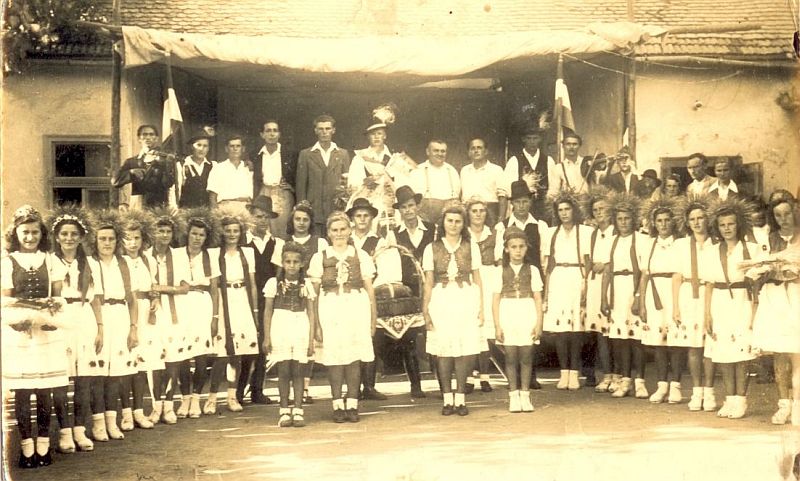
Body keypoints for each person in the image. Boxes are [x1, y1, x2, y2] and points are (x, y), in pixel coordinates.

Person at [2, 205, 69, 468]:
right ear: (15, 234)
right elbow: (5, 299)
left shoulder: (51, 261)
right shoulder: (7, 262)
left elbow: (59, 297)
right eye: (25, 233)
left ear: (42, 234)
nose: (30, 237)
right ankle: (26, 449)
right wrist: (16, 321)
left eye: (34, 232)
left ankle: (43, 446)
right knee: (23, 391)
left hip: (45, 332)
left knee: (44, 391)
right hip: (20, 333)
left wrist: (52, 318)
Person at [308, 211, 378, 423]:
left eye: (343, 229)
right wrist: (316, 324)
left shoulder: (361, 255)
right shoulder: (319, 257)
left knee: (354, 358)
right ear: (329, 233)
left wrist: (373, 319)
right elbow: (314, 295)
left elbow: (370, 290)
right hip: (330, 309)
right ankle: (338, 404)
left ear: (350, 230)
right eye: (334, 230)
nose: (339, 233)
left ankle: (353, 404)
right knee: (335, 358)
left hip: (356, 308)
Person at [47, 205, 104, 452]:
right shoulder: (50, 261)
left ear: (81, 237)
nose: (69, 238)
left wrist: (100, 328)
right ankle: (65, 433)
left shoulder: (90, 263)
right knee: (61, 379)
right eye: (64, 234)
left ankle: (80, 430)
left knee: (84, 379)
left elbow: (96, 299)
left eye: (74, 234)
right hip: (60, 318)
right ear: (57, 237)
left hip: (84, 318)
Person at [423, 204, 484, 416]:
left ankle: (461, 398)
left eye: (458, 221)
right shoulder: (431, 248)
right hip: (441, 300)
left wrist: (481, 308)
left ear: (463, 224)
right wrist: (426, 310)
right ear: (443, 222)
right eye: (450, 220)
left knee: (463, 350)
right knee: (444, 350)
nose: (454, 225)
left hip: (465, 298)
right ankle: (447, 399)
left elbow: (478, 279)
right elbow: (428, 282)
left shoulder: (471, 246)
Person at [703, 199, 760, 419]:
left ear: (739, 225)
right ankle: (730, 398)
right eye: (722, 225)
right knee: (724, 352)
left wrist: (754, 311)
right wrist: (707, 314)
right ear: (717, 227)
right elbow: (709, 285)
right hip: (719, 303)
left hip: (742, 301)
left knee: (741, 353)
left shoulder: (751, 249)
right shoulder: (711, 251)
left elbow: (756, 285)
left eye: (731, 224)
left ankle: (741, 399)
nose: (727, 228)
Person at [751, 193, 800, 424]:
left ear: (795, 213)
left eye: (787, 213)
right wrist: (765, 270)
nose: (783, 219)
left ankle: (798, 403)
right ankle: (784, 404)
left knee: (798, 353)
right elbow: (757, 270)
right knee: (780, 353)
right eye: (778, 215)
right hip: (776, 298)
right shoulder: (769, 240)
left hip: (797, 297)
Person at [92, 210, 139, 440]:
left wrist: (133, 328)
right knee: (98, 373)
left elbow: (132, 299)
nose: (107, 243)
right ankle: (98, 424)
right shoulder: (90, 263)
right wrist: (99, 327)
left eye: (111, 238)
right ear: (95, 241)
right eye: (102, 238)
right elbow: (93, 297)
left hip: (120, 316)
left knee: (116, 374)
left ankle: (112, 422)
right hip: (99, 316)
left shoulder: (125, 263)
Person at [494, 180, 544, 389]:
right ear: (512, 203)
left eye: (525, 201)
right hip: (510, 285)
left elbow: (543, 256)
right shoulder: (501, 226)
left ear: (530, 202)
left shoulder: (539, 225)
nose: (522, 206)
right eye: (518, 202)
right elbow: (499, 257)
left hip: (531, 280)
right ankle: (513, 382)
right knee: (511, 344)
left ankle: (530, 377)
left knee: (529, 336)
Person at [542, 191, 592, 391]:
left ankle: (575, 372)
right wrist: (546, 293)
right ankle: (564, 373)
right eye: (560, 210)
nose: (564, 213)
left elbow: (588, 262)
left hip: (577, 276)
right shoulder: (551, 233)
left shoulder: (585, 232)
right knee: (561, 330)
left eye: (567, 209)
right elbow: (549, 265)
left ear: (574, 210)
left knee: (576, 329)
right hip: (558, 280)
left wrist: (586, 285)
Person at [280, 200, 328, 403]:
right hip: (289, 295)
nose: (301, 223)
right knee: (291, 340)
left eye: (305, 219)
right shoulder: (283, 242)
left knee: (309, 338)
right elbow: (279, 272)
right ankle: (291, 390)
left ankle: (305, 388)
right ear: (292, 221)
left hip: (313, 292)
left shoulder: (320, 242)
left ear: (311, 222)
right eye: (297, 219)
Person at [672, 196, 718, 412]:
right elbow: (676, 277)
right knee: (693, 345)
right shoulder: (681, 244)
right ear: (687, 222)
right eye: (692, 219)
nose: (697, 222)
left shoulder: (716, 244)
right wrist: (675, 307)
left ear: (708, 219)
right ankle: (696, 391)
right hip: (688, 296)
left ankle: (709, 391)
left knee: (709, 345)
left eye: (701, 218)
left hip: (712, 296)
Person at [263, 242, 317, 427]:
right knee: (284, 370)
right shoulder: (273, 283)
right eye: (288, 261)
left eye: (295, 262)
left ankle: (298, 410)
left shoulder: (306, 284)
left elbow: (311, 312)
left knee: (299, 370)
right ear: (282, 263)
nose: (292, 265)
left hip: (300, 325)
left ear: (302, 264)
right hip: (280, 325)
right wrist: (267, 337)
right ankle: (284, 410)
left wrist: (311, 339)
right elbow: (268, 311)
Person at [601, 193, 649, 399]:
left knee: (637, 338)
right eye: (620, 219)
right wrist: (604, 298)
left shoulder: (643, 240)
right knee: (621, 339)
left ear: (634, 219)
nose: (623, 222)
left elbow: (645, 272)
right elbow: (607, 271)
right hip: (617, 291)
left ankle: (640, 381)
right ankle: (625, 379)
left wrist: (638, 296)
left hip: (634, 287)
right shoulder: (610, 241)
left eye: (627, 218)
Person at [492, 227, 544, 412]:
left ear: (526, 248)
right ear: (506, 249)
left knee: (526, 356)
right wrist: (497, 325)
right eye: (513, 247)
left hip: (527, 311)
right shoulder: (500, 270)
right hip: (508, 312)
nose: (518, 250)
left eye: (521, 246)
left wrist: (539, 323)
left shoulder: (533, 270)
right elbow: (495, 299)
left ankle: (525, 395)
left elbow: (538, 298)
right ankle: (513, 396)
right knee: (511, 357)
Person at [148, 210, 193, 424]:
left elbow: (185, 288)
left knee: (173, 359)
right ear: (153, 232)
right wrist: (158, 290)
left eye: (168, 231)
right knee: (154, 359)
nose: (164, 235)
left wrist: (161, 288)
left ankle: (169, 405)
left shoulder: (179, 256)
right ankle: (156, 406)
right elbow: (145, 286)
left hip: (175, 312)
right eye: (160, 231)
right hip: (152, 312)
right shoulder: (145, 255)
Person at [238, 196, 282, 405]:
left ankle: (257, 390)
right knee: (245, 345)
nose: (262, 221)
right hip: (245, 298)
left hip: (267, 299)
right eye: (258, 216)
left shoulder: (277, 243)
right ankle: (238, 391)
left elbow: (278, 273)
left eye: (265, 217)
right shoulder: (243, 242)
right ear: (250, 217)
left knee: (264, 343)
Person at [118, 209, 159, 429]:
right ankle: (126, 414)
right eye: (128, 238)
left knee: (142, 363)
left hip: (144, 312)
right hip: (125, 311)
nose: (132, 243)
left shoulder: (148, 260)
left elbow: (153, 285)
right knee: (126, 364)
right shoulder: (119, 260)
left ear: (143, 239)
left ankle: (139, 411)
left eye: (137, 238)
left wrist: (155, 297)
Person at [215, 210, 260, 413]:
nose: (232, 234)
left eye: (235, 231)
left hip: (242, 299)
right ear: (222, 232)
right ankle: (213, 397)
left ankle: (233, 396)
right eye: (228, 230)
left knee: (240, 351)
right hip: (224, 301)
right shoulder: (215, 253)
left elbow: (252, 284)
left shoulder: (247, 253)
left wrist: (255, 310)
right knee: (223, 352)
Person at [638, 197, 682, 404]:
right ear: (654, 223)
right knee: (658, 343)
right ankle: (662, 385)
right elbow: (644, 276)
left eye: (667, 220)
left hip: (675, 293)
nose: (663, 224)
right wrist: (641, 303)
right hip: (654, 294)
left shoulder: (680, 244)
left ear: (673, 221)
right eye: (659, 221)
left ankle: (676, 386)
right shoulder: (648, 245)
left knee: (675, 342)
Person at [178, 208, 221, 417]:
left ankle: (196, 398)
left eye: (201, 235)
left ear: (206, 237)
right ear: (187, 234)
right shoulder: (177, 254)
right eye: (194, 233)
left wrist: (215, 317)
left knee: (201, 355)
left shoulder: (210, 256)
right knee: (182, 355)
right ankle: (185, 398)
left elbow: (214, 289)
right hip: (182, 304)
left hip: (203, 304)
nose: (197, 238)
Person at [347, 105, 416, 231]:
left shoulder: (394, 157)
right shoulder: (360, 158)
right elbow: (353, 183)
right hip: (369, 203)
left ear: (385, 136)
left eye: (379, 133)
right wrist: (366, 182)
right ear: (368, 137)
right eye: (372, 134)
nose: (376, 137)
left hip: (391, 203)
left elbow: (405, 182)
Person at [347, 198, 389, 401]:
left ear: (372, 218)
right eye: (358, 216)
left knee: (370, 339)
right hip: (348, 295)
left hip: (369, 292)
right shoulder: (346, 239)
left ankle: (369, 386)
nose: (362, 219)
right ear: (352, 219)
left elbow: (384, 269)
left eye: (366, 216)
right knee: (350, 338)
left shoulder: (379, 241)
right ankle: (352, 387)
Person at [582, 187, 617, 392]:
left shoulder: (616, 232)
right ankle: (607, 375)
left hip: (614, 283)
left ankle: (619, 375)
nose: (599, 213)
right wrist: (586, 285)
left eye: (602, 208)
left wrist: (606, 265)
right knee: (601, 333)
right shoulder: (592, 234)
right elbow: (588, 261)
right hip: (596, 285)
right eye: (595, 210)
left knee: (616, 332)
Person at [464, 198, 499, 394]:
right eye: (474, 211)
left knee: (485, 332)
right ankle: (469, 377)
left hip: (489, 281)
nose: (478, 214)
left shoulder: (494, 234)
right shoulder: (463, 234)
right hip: (469, 280)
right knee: (470, 329)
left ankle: (485, 376)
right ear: (468, 214)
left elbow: (499, 262)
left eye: (482, 210)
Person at [296, 114, 351, 233]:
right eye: (321, 129)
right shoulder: (306, 154)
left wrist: (343, 208)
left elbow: (347, 185)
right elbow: (301, 185)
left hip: (335, 210)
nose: (324, 132)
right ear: (316, 130)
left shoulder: (343, 154)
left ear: (333, 130)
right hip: (314, 210)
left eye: (327, 128)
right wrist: (303, 209)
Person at [252, 120, 297, 238]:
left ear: (279, 134)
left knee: (283, 227)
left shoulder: (289, 154)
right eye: (268, 131)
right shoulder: (256, 155)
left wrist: (292, 187)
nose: (272, 134)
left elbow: (298, 175)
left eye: (275, 131)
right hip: (264, 192)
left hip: (282, 193)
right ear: (262, 134)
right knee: (263, 226)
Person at [113, 124, 174, 210]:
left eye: (151, 134)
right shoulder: (132, 161)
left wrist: (167, 164)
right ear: (139, 139)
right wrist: (131, 172)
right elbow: (115, 181)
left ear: (156, 138)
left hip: (160, 206)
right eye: (144, 134)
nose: (148, 137)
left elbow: (169, 183)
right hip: (139, 206)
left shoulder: (165, 160)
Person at [504, 126, 555, 220]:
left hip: (543, 210)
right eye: (529, 138)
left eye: (535, 138)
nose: (532, 142)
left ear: (540, 139)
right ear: (523, 139)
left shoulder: (548, 160)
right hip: (521, 210)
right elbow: (509, 189)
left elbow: (553, 188)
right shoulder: (514, 161)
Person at [409, 139, 461, 225]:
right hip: (426, 222)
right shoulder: (418, 171)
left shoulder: (451, 171)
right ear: (428, 152)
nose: (440, 154)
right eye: (436, 151)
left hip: (449, 223)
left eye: (443, 151)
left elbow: (457, 194)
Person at [460, 138, 508, 222]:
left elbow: (503, 197)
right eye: (473, 148)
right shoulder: (464, 170)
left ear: (486, 151)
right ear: (469, 152)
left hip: (490, 213)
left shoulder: (496, 170)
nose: (476, 151)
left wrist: (501, 220)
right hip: (467, 213)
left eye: (479, 148)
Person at [208, 135, 253, 211]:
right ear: (226, 149)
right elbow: (212, 196)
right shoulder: (218, 168)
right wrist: (215, 213)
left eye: (238, 146)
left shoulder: (249, 168)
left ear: (243, 149)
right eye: (232, 146)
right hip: (225, 207)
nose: (235, 149)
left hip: (246, 207)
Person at [172, 130, 214, 208]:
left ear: (208, 148)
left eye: (205, 146)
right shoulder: (182, 165)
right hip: (186, 211)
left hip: (206, 211)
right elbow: (176, 192)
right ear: (192, 146)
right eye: (198, 145)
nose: (201, 149)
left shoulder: (212, 166)